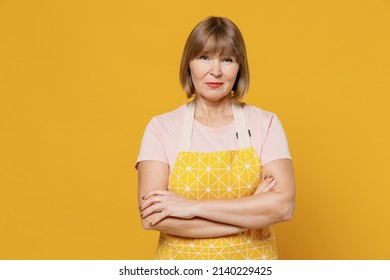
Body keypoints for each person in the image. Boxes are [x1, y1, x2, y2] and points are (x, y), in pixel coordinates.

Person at [136, 16, 295, 260]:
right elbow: (153, 217)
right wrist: (249, 215)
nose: (216, 71)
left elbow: (282, 206)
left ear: (239, 67)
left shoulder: (266, 123)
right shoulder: (160, 128)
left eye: (227, 59)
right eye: (204, 57)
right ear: (188, 63)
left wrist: (192, 207)